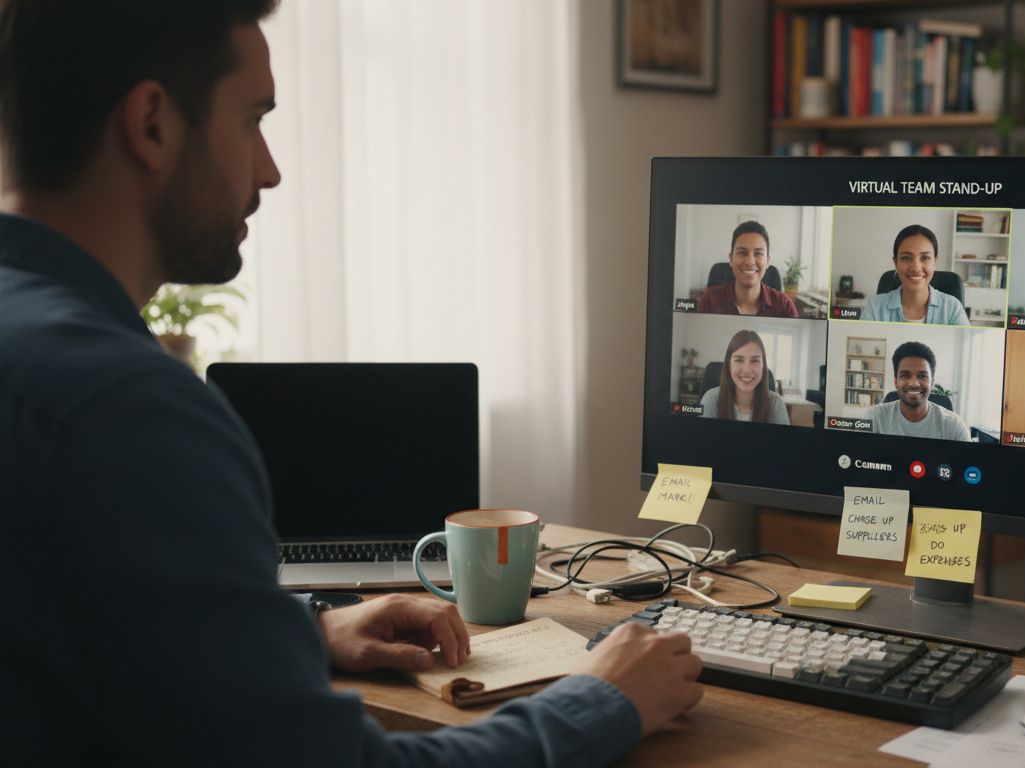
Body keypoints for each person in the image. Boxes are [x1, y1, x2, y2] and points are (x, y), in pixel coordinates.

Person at [0, 2, 701, 765]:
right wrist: (603, 699)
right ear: (153, 124)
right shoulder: (125, 410)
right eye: (253, 120)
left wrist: (308, 628)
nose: (270, 169)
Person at [859, 224, 968, 325]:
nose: (916, 268)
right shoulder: (875, 308)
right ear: (895, 263)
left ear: (935, 262)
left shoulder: (952, 308)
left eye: (925, 258)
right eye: (906, 258)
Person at [867, 341, 972, 441]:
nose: (914, 384)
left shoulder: (954, 427)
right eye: (905, 375)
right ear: (895, 381)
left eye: (922, 376)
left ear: (932, 382)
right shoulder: (874, 418)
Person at [696, 220, 799, 318]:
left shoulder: (784, 306)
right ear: (731, 259)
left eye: (758, 253)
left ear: (767, 261)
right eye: (742, 253)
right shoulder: (710, 301)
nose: (750, 262)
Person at [699, 330, 790, 425]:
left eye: (755, 360)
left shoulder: (776, 404)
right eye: (739, 360)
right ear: (729, 364)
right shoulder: (711, 400)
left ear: (763, 366)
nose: (747, 370)